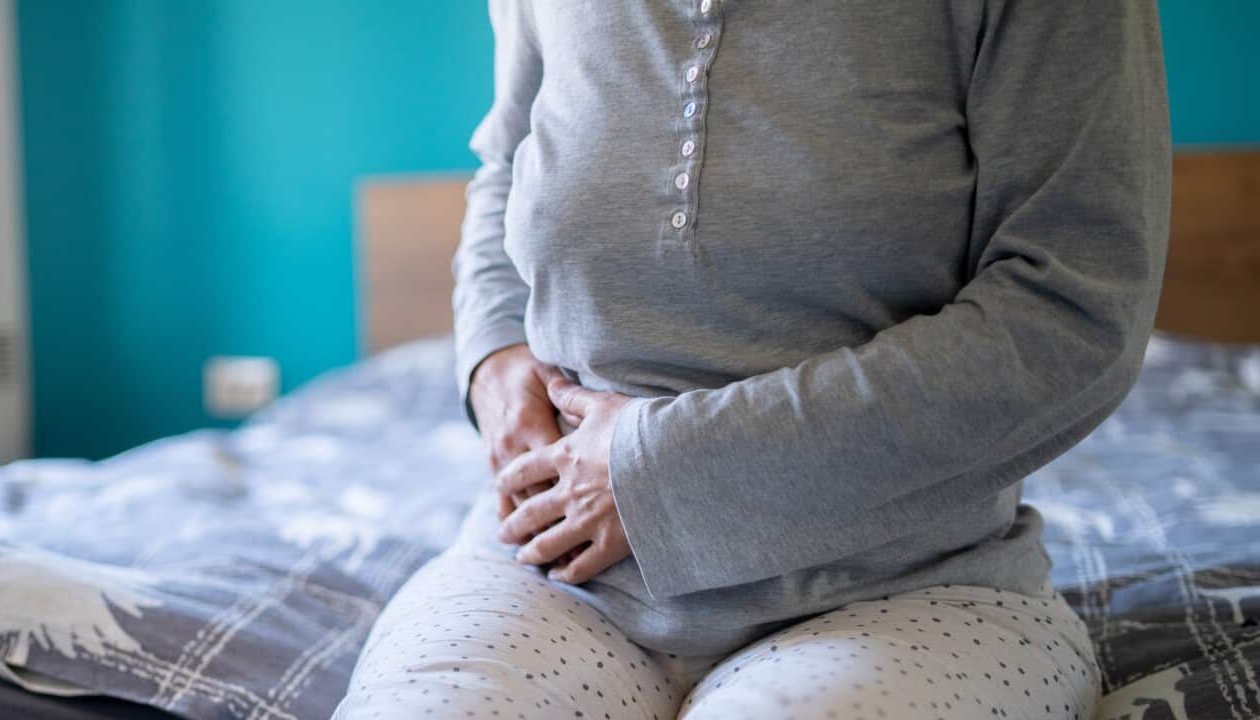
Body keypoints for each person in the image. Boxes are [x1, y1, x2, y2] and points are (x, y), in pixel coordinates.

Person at [337, 2, 1169, 718]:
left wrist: (657, 471)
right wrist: (493, 354)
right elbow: (507, 163)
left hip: (905, 588)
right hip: (557, 567)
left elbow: (1072, 310)